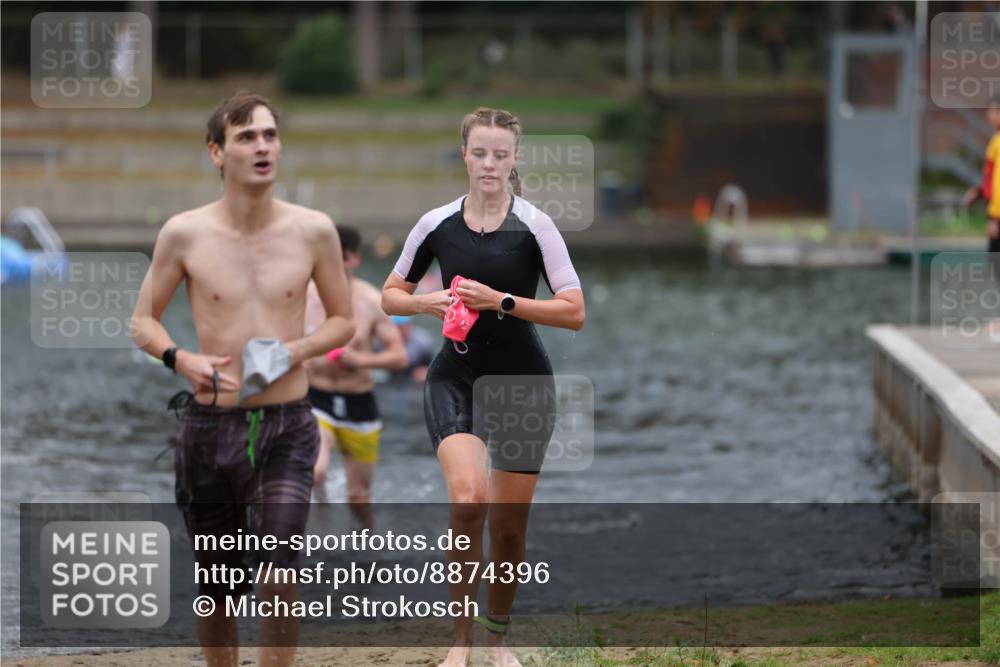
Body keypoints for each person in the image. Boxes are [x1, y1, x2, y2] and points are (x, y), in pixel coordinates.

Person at [130, 92, 354, 667]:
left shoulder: (314, 231)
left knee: (279, 573)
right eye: (247, 137)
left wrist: (295, 350)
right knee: (220, 586)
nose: (263, 147)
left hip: (287, 424)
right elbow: (142, 321)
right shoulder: (185, 233)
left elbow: (343, 321)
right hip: (209, 424)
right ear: (216, 152)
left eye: (270, 135)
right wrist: (182, 359)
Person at [381, 107, 585, 667]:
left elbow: (574, 312)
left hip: (523, 383)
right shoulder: (435, 224)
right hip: (457, 375)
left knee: (510, 529)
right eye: (480, 153)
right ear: (465, 155)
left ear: (514, 159)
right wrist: (426, 301)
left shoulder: (537, 227)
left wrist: (502, 303)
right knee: (469, 499)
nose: (490, 163)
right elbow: (389, 294)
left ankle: (497, 642)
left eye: (501, 154)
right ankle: (460, 643)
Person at [304, 225, 408, 525]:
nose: (333, 265)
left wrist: (361, 359)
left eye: (341, 258)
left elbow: (399, 356)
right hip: (316, 397)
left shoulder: (371, 301)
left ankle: (368, 549)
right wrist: (298, 359)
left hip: (359, 402)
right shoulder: (304, 297)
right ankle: (320, 513)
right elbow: (280, 343)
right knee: (317, 470)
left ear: (353, 260)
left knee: (359, 498)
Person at [963, 96, 1000, 262]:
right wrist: (978, 192)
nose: (989, 115)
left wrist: (995, 219)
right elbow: (992, 180)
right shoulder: (995, 140)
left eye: (993, 111)